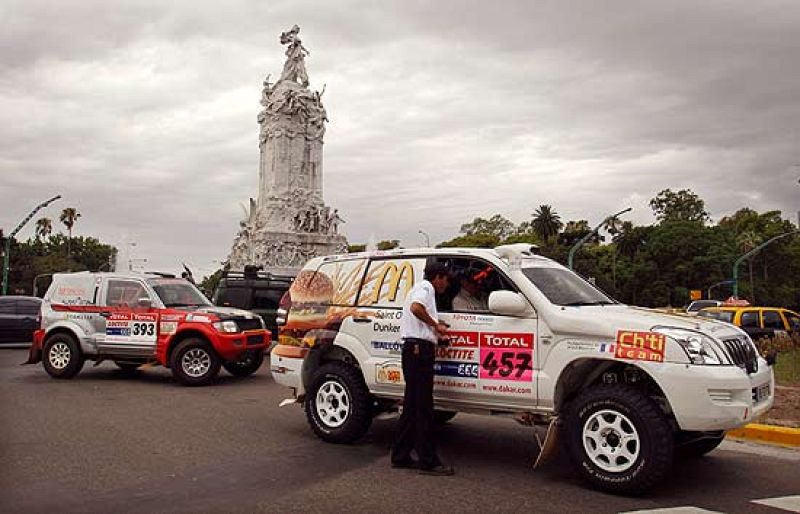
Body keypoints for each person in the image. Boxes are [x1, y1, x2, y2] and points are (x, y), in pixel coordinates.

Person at [390, 262, 454, 476]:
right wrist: (435, 325)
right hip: (419, 351)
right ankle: (428, 461)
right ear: (438, 277)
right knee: (423, 408)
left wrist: (435, 328)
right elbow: (416, 308)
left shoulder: (421, 288)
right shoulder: (426, 288)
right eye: (445, 279)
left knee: (411, 407)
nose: (446, 284)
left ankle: (400, 456)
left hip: (414, 350)